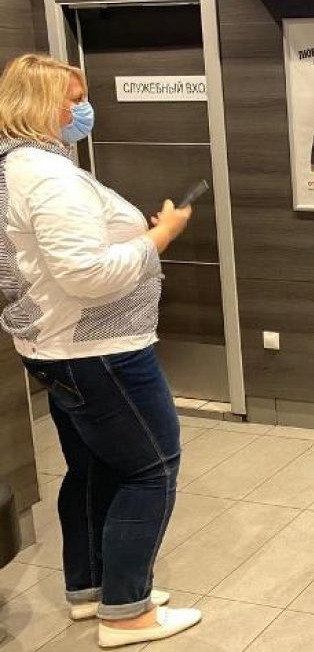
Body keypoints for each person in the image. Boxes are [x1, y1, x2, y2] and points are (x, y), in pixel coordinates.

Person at [0, 54, 201, 648]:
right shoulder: (48, 176)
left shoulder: (15, 168)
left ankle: (90, 589)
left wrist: (129, 232)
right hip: (99, 351)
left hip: (55, 345)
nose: (82, 110)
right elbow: (86, 275)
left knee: (92, 468)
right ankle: (126, 612)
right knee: (150, 469)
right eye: (72, 100)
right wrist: (159, 236)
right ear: (41, 103)